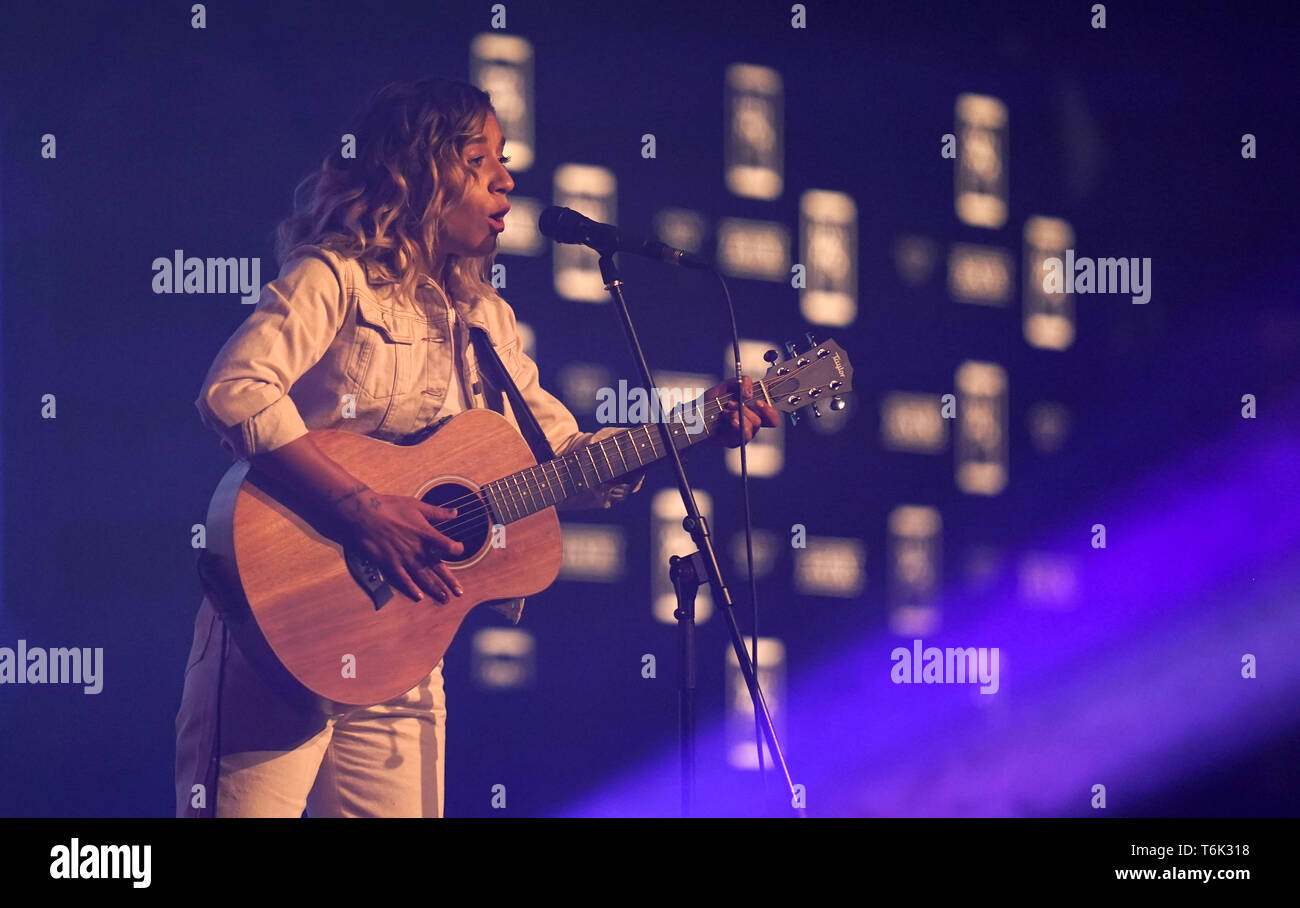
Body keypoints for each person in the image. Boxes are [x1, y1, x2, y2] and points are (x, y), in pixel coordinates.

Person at [174, 77, 777, 818]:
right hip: (282, 630)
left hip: (402, 649)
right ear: (415, 170)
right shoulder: (333, 278)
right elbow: (236, 391)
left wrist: (701, 421)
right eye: (477, 157)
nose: (506, 178)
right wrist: (362, 511)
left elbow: (564, 461)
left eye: (504, 157)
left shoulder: (487, 319)